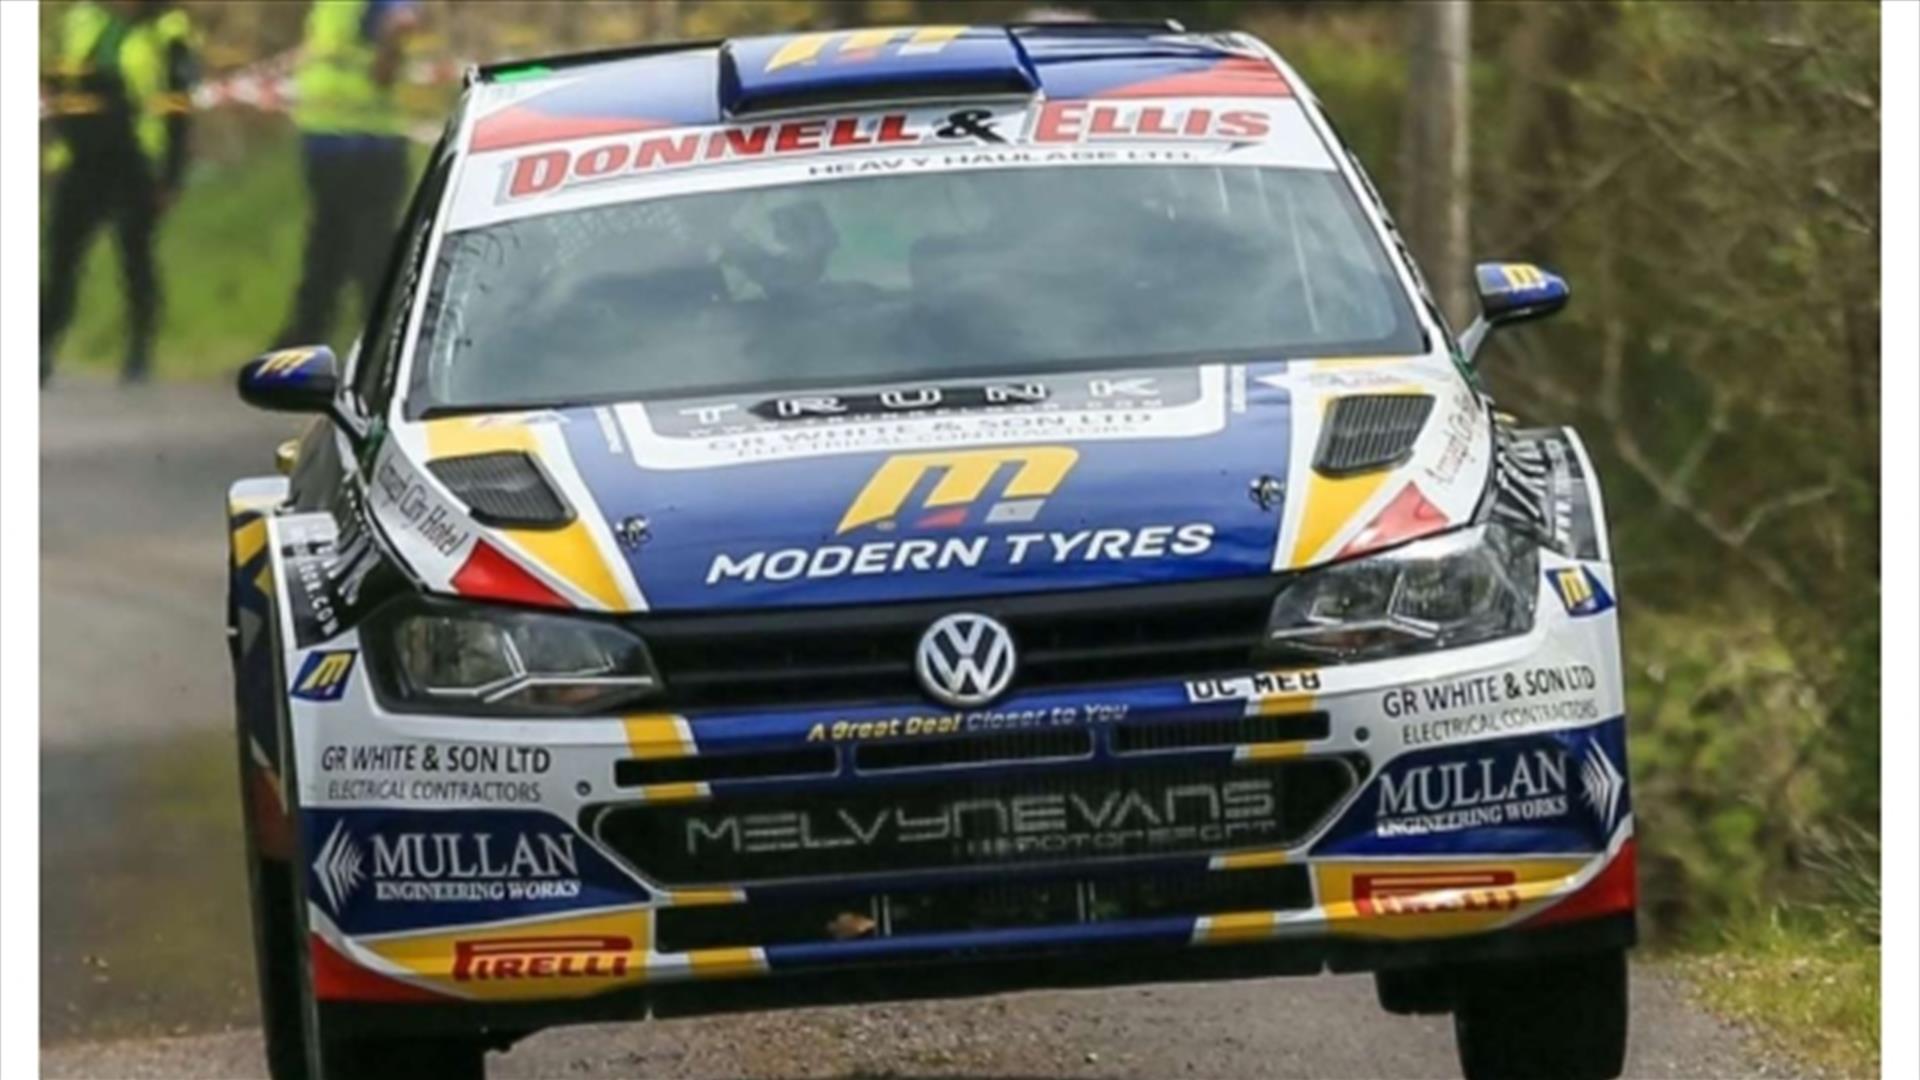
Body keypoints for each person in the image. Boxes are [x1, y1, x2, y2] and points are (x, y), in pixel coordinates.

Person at [40, 0, 197, 384]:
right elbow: (53, 88)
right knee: (61, 262)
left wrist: (172, 176)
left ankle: (139, 349)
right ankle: (39, 348)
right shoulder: (81, 20)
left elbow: (178, 107)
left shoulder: (168, 32)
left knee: (136, 259)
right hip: (80, 161)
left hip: (135, 161)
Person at [275, 0, 420, 349]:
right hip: (328, 139)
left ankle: (385, 347)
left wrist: (385, 60)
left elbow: (401, 23)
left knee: (371, 255)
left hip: (367, 143)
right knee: (327, 248)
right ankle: (304, 342)